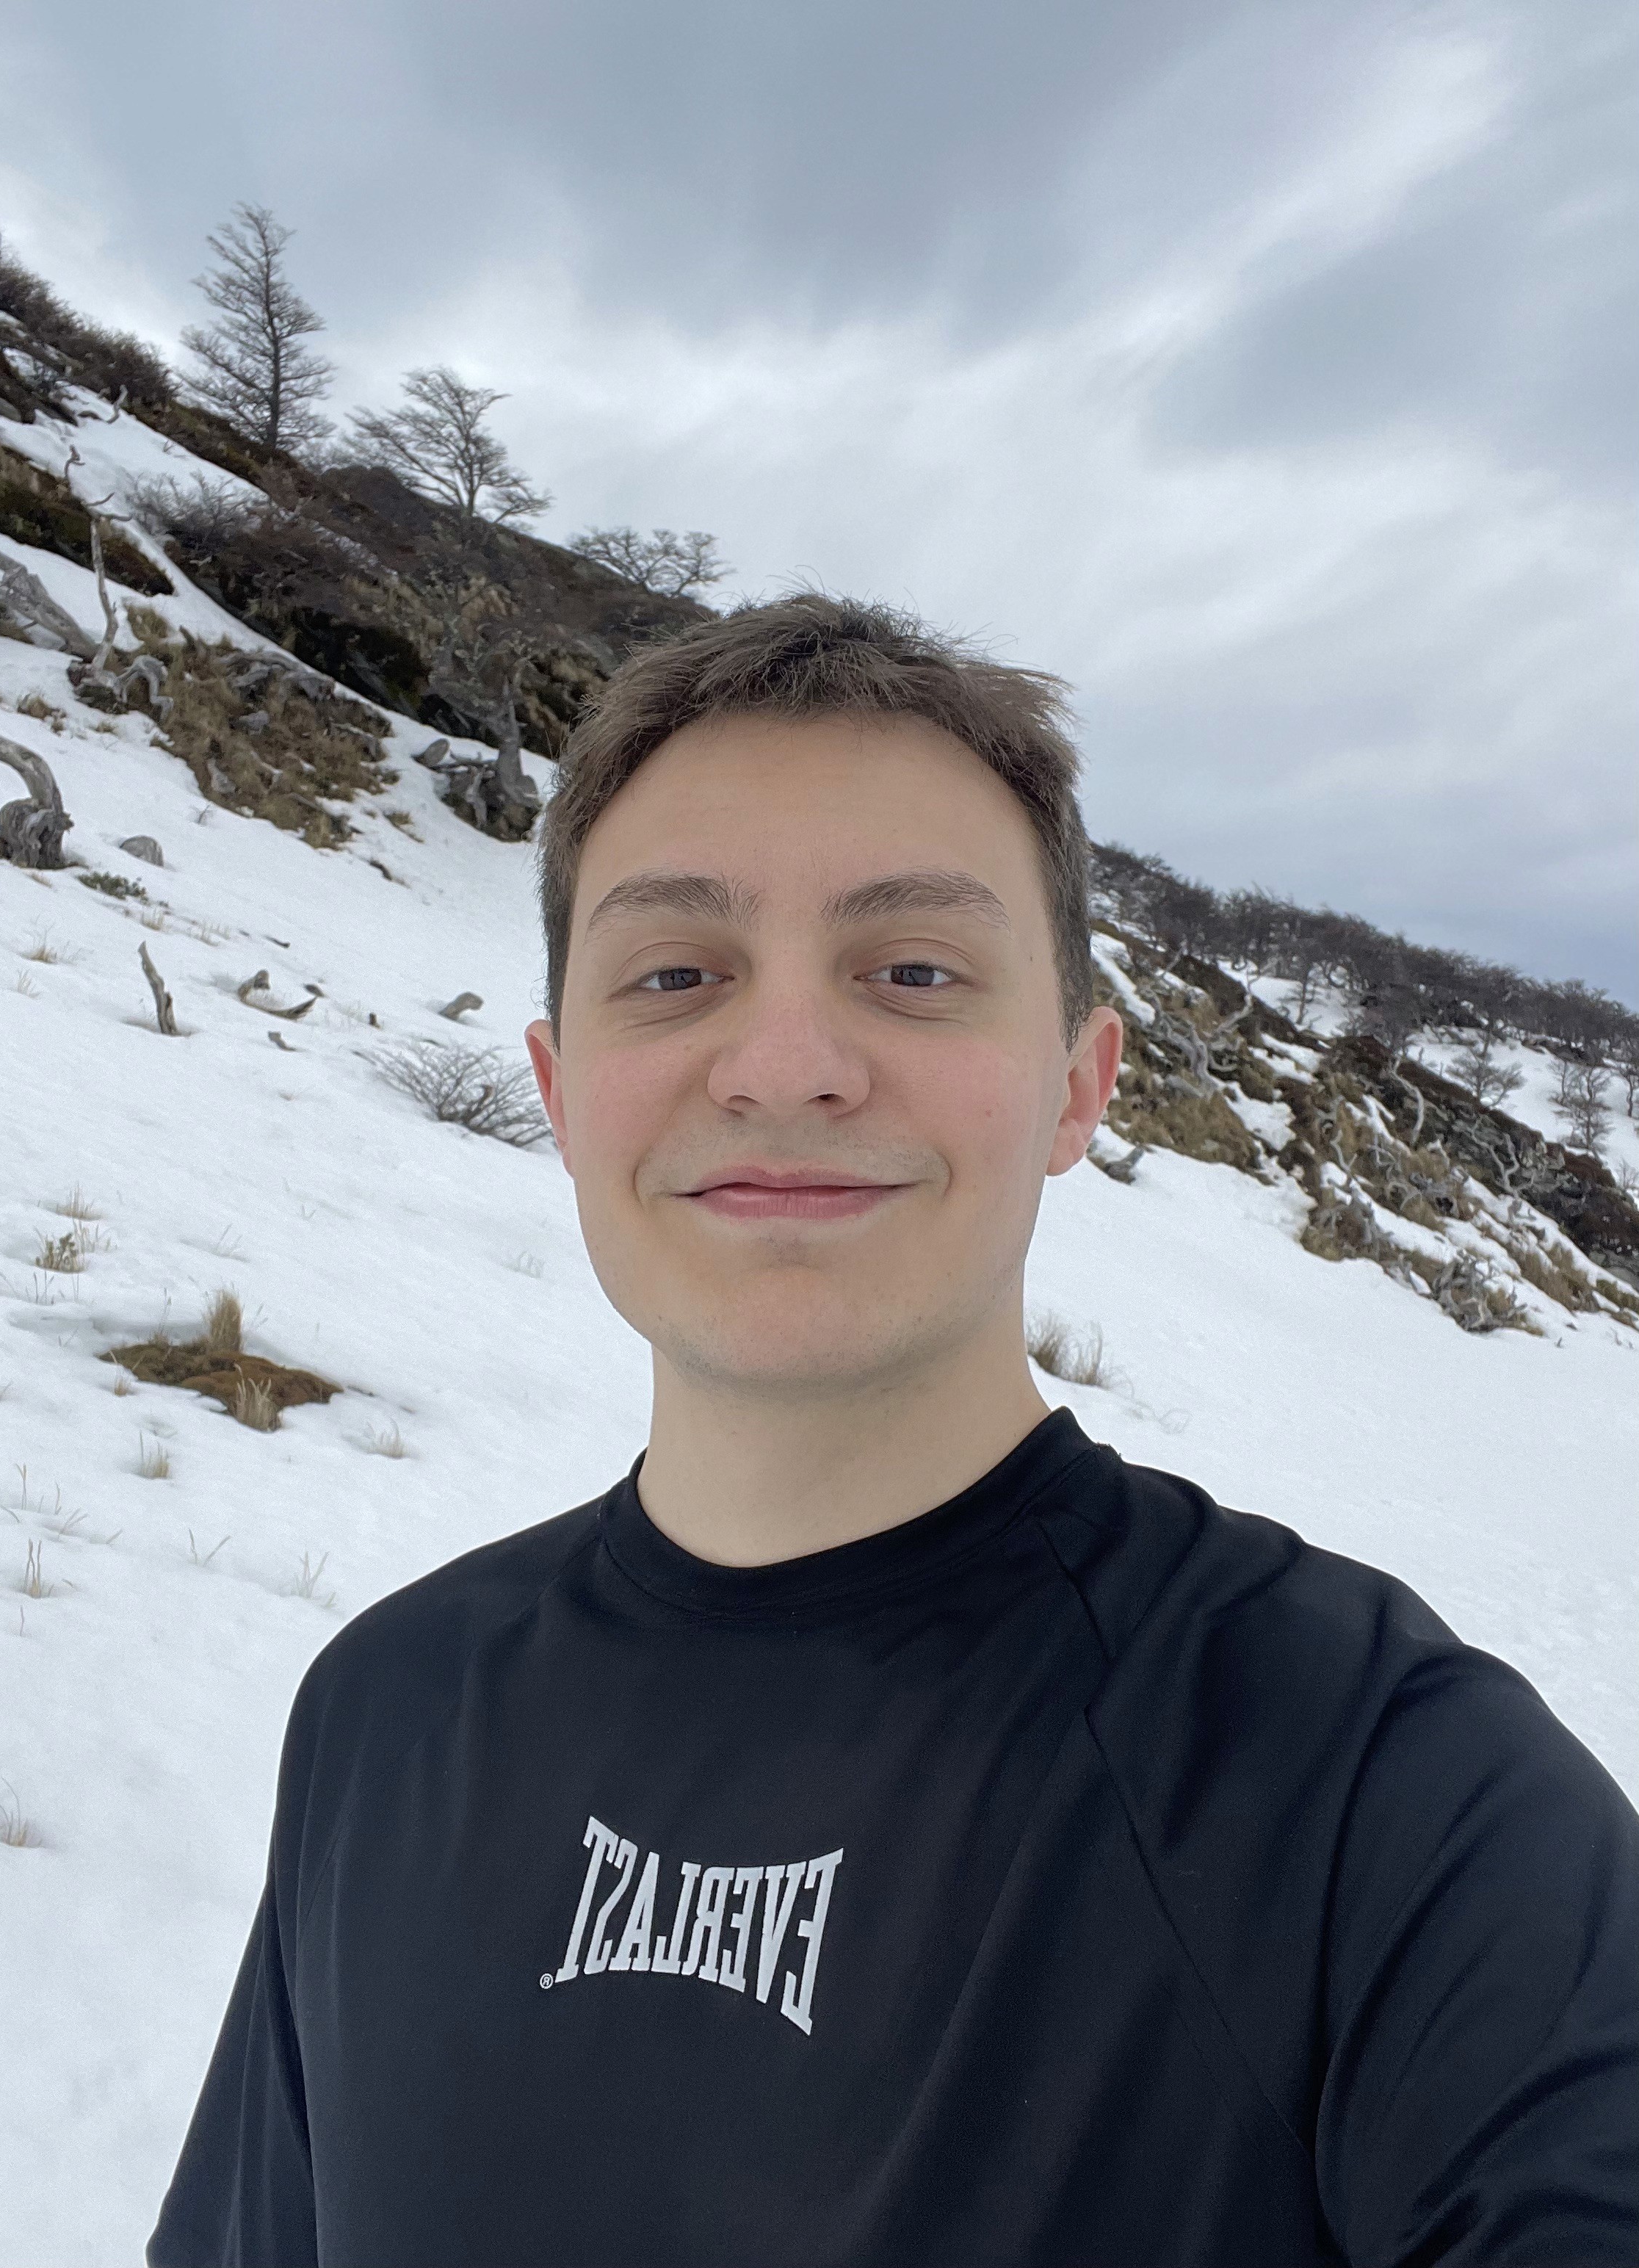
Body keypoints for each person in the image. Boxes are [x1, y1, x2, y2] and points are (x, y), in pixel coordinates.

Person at [150, 595, 1639, 2268]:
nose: (786, 1063)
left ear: (1080, 1084)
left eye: (914, 968)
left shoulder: (1376, 1784)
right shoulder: (383, 1713)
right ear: (563, 1096)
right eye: (677, 971)